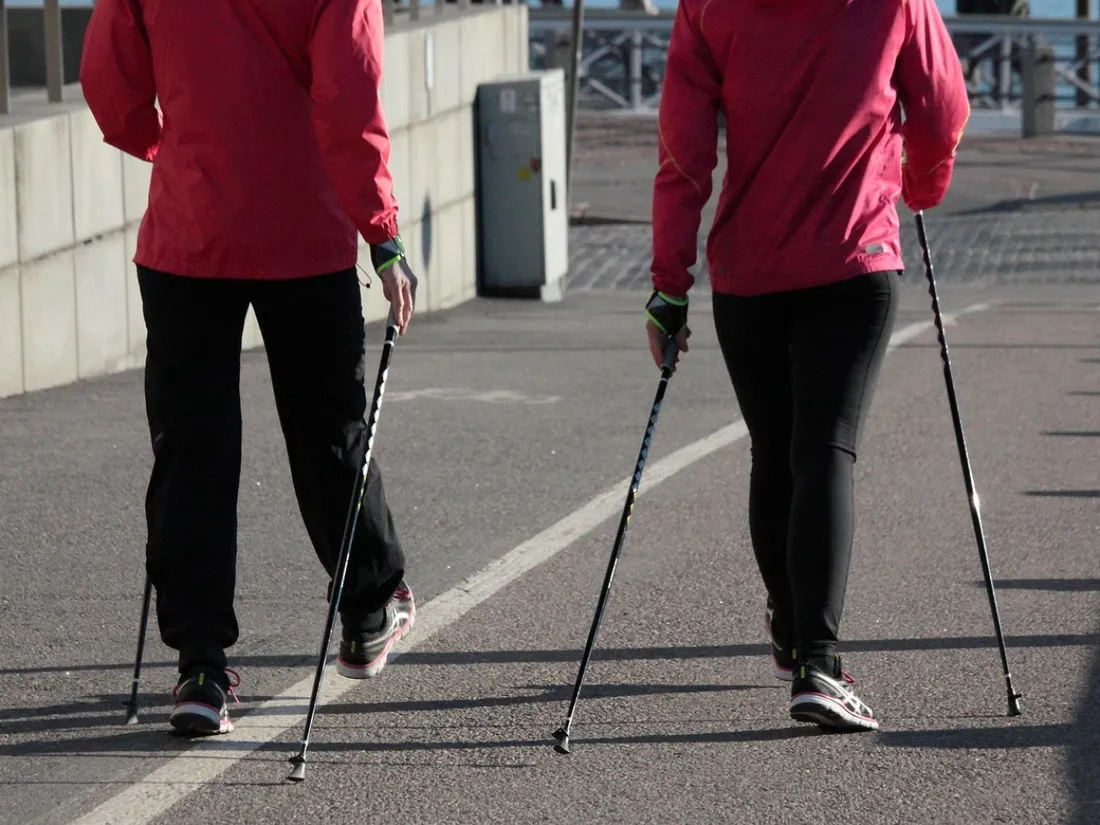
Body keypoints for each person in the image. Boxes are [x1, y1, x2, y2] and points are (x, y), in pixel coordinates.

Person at [79, 0, 418, 736]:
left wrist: (173, 149)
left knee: (191, 449)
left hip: (188, 232)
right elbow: (348, 99)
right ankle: (366, 604)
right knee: (328, 430)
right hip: (304, 233)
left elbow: (109, 85)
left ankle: (201, 666)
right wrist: (382, 233)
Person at [643, 0, 969, 732]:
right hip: (855, 259)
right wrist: (921, 184)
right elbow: (944, 108)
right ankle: (819, 662)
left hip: (748, 271)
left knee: (776, 451)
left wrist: (669, 282)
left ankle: (794, 634)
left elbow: (684, 148)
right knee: (824, 449)